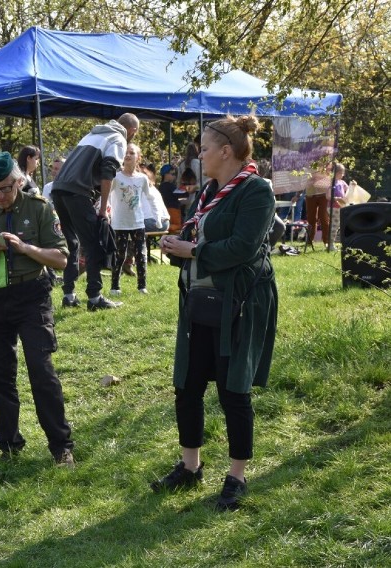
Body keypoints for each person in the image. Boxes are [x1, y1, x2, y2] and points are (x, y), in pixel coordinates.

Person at [156, 115, 277, 511]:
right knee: (187, 385)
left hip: (238, 304)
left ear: (226, 151)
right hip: (200, 301)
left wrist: (192, 251)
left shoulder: (256, 191)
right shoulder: (207, 192)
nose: (199, 156)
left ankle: (237, 476)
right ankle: (191, 468)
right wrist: (177, 247)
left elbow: (243, 248)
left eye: (204, 149)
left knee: (232, 390)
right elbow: (200, 242)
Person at [0, 152, 75, 466]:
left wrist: (25, 248)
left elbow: (62, 259)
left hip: (31, 294)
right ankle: (9, 446)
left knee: (41, 371)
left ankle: (60, 445)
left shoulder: (39, 209)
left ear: (19, 181)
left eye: (5, 189)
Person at [50, 113, 139, 310]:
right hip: (78, 192)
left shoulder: (91, 135)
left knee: (72, 243)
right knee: (93, 246)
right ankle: (94, 298)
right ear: (132, 131)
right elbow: (108, 172)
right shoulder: (118, 138)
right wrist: (103, 209)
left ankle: (69, 295)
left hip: (59, 190)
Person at [109, 143, 149, 295]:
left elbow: (148, 198)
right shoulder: (116, 177)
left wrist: (157, 216)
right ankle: (114, 286)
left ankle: (142, 286)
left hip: (138, 222)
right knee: (119, 255)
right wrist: (103, 210)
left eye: (132, 152)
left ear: (138, 157)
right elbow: (105, 196)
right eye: (126, 152)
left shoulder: (142, 179)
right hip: (119, 223)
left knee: (140, 254)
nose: (128, 155)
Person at [303, 164, 331, 247]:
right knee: (311, 219)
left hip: (324, 195)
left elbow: (330, 177)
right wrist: (297, 195)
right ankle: (310, 240)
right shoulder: (307, 163)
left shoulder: (326, 162)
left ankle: (326, 241)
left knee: (324, 218)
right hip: (310, 194)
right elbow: (303, 180)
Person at [158, 164, 183, 233]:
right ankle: (166, 228)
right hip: (173, 209)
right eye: (172, 174)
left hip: (165, 210)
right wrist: (187, 189)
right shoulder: (170, 186)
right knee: (178, 226)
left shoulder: (160, 186)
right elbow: (180, 194)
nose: (174, 176)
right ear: (166, 174)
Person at [328, 162, 348, 247]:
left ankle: (335, 242)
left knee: (338, 225)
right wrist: (337, 198)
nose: (343, 175)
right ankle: (330, 244)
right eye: (342, 173)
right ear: (337, 173)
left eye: (343, 173)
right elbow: (328, 196)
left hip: (341, 207)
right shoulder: (331, 182)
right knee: (334, 225)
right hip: (334, 207)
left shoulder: (342, 182)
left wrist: (354, 185)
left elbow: (349, 190)